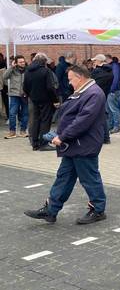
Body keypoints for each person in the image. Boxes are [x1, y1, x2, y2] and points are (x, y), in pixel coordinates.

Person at [24, 65, 109, 225]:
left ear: (80, 77)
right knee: (64, 177)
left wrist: (62, 136)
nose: (70, 83)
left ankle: (98, 210)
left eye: (71, 79)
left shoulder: (94, 93)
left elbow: (83, 120)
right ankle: (51, 210)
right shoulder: (84, 92)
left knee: (89, 178)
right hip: (74, 144)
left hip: (83, 144)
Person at [23, 52, 58, 151]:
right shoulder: (46, 71)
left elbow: (25, 86)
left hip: (34, 99)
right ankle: (43, 143)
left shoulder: (28, 71)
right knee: (45, 121)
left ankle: (35, 143)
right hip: (46, 100)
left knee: (35, 120)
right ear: (44, 61)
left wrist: (31, 95)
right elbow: (50, 87)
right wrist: (55, 100)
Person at [3, 55, 29, 139]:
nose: (22, 63)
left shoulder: (28, 70)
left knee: (25, 113)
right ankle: (12, 132)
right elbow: (4, 77)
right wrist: (11, 67)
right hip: (14, 94)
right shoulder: (13, 70)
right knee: (12, 113)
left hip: (25, 95)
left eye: (23, 61)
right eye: (20, 62)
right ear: (16, 63)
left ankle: (23, 131)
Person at [90, 54, 113, 144]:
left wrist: (94, 69)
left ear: (99, 61)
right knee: (101, 116)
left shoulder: (97, 71)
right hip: (104, 95)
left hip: (95, 96)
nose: (94, 62)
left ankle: (103, 137)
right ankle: (105, 137)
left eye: (95, 61)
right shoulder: (109, 70)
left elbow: (90, 82)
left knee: (96, 117)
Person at [106, 55, 120, 133]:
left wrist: (111, 90)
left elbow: (116, 78)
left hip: (113, 90)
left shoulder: (114, 66)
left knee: (113, 109)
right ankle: (111, 125)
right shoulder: (111, 66)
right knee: (109, 109)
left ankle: (116, 126)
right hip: (110, 90)